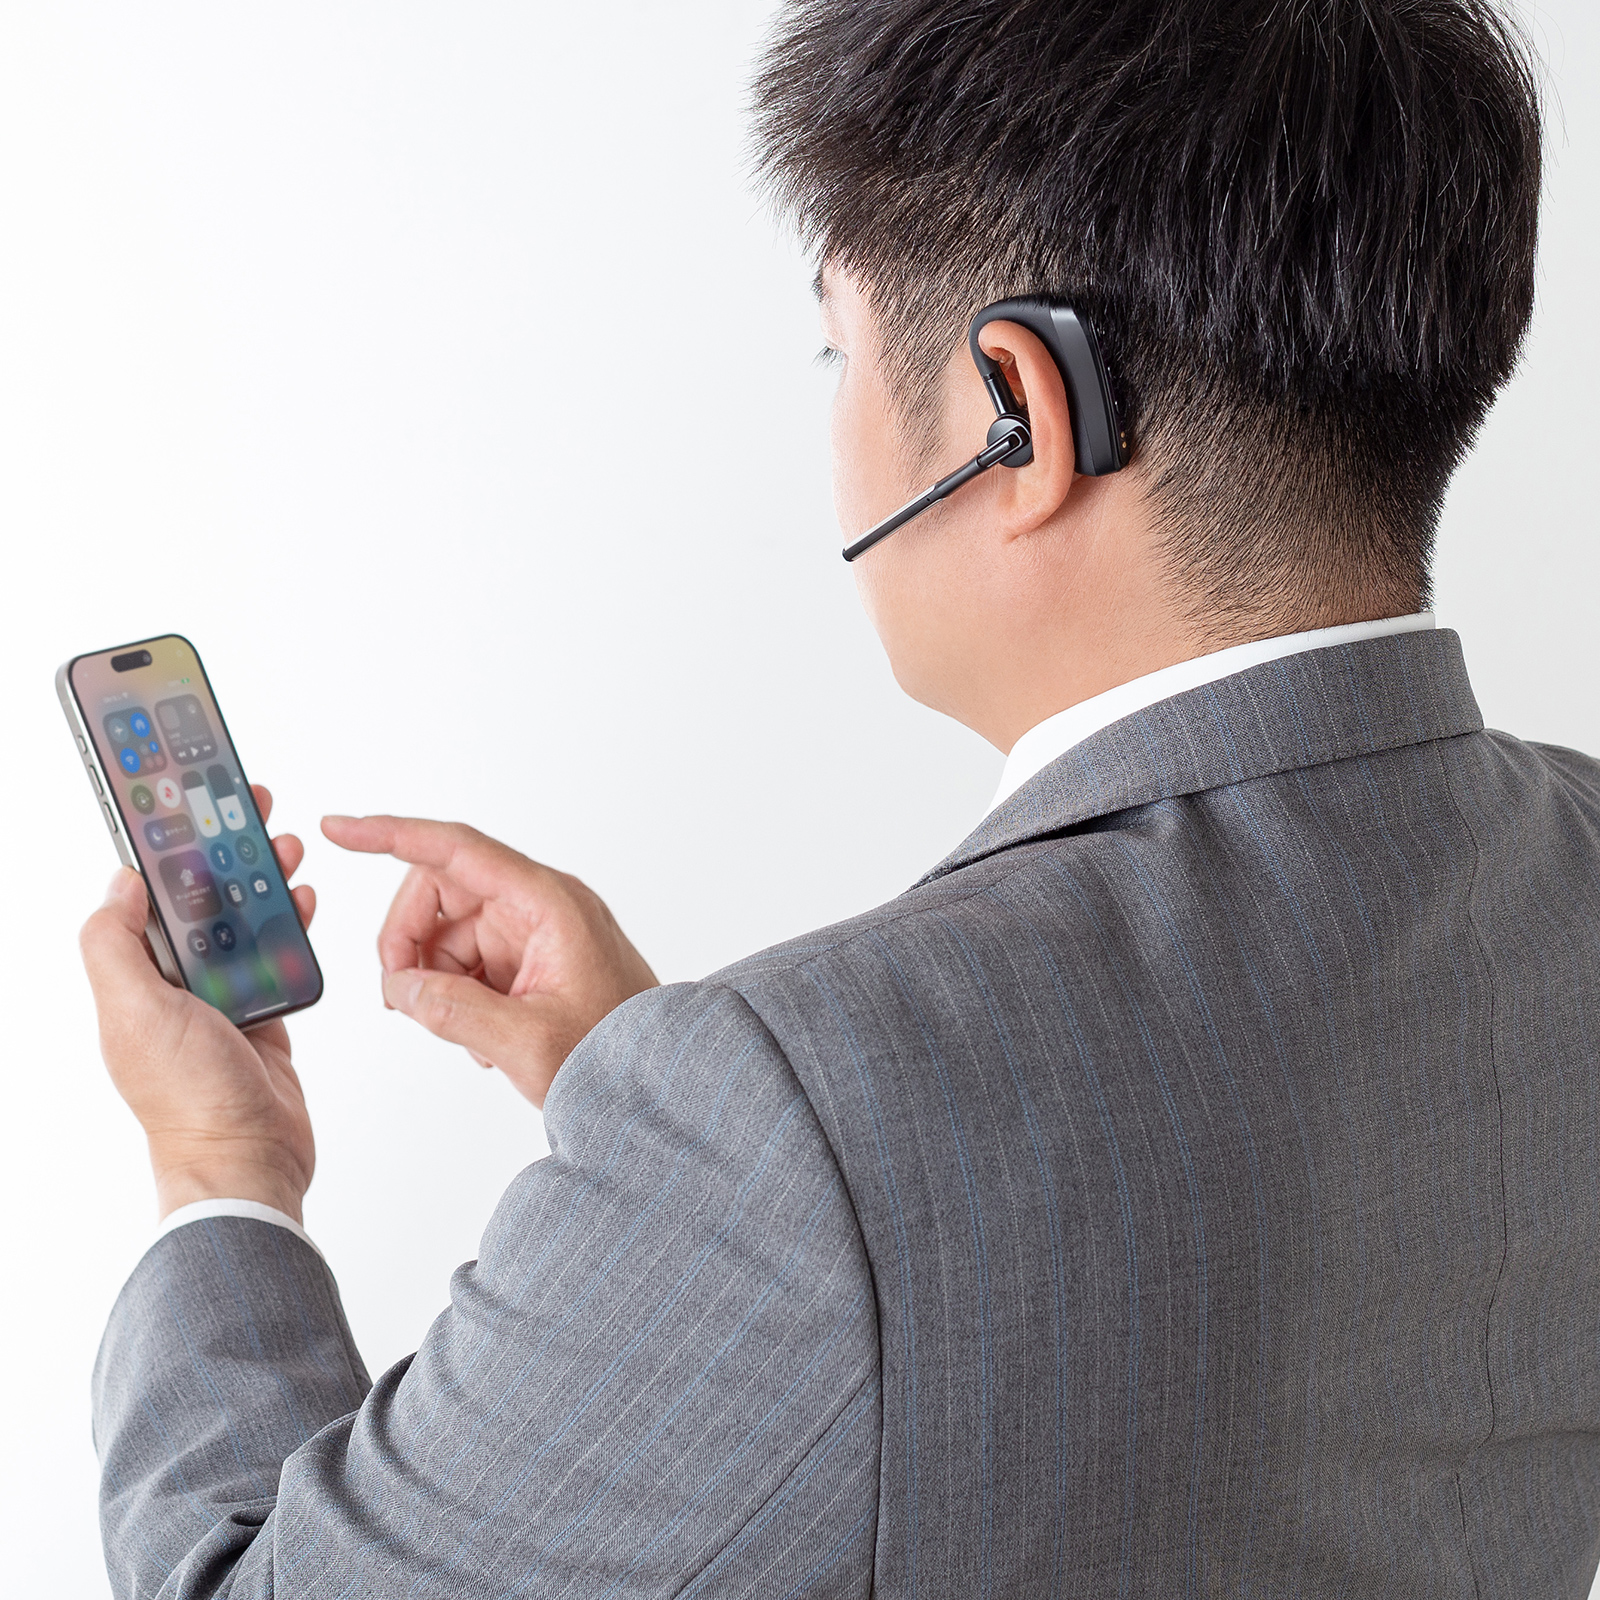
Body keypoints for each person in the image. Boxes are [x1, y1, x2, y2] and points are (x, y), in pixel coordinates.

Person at [79, 1, 1600, 1594]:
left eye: (839, 350)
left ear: (1024, 412)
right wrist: (669, 1111)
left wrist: (221, 1163)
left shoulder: (787, 1112)